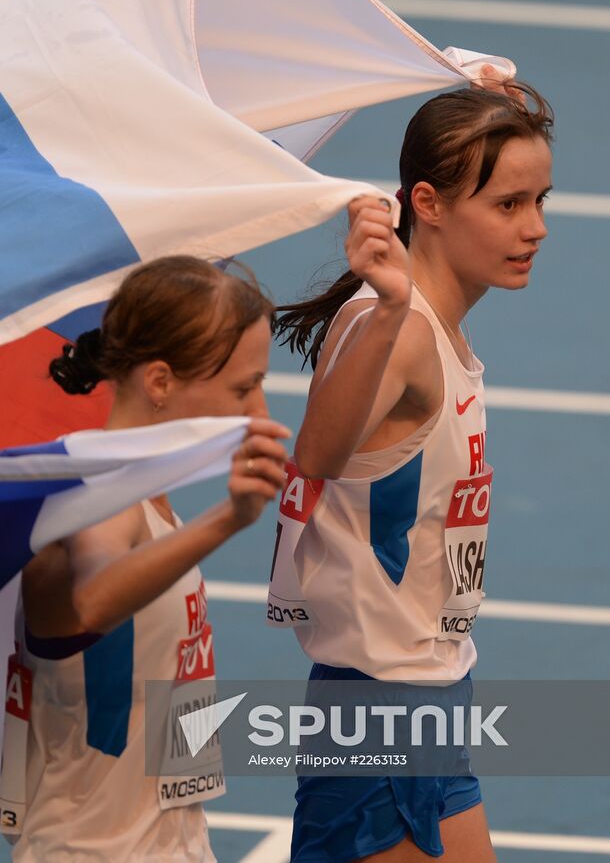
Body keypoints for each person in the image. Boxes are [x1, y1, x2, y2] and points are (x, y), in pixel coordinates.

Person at [273, 75, 554, 862]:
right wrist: (392, 305)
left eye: (540, 201)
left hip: (429, 703)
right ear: (426, 204)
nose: (533, 227)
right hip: (377, 718)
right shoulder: (395, 329)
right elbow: (318, 456)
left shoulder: (432, 330)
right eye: (507, 205)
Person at [9, 255, 290, 862]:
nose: (260, 413)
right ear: (160, 382)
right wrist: (229, 519)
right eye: (243, 388)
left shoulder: (145, 501)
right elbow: (92, 600)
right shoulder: (93, 498)